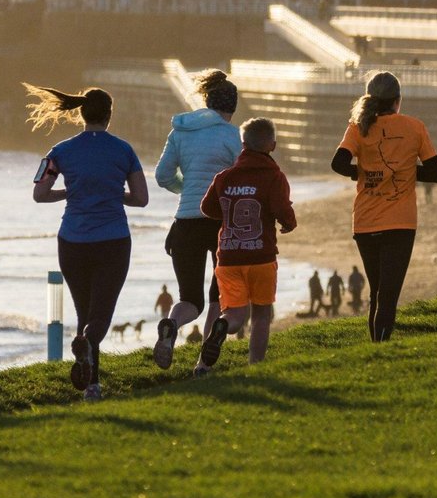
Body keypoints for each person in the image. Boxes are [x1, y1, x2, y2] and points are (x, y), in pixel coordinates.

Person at [26, 84, 149, 400]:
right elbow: (141, 198)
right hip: (112, 240)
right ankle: (89, 372)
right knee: (100, 315)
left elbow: (39, 195)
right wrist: (111, 194)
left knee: (85, 312)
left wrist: (68, 192)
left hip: (72, 241)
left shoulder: (59, 151)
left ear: (80, 114)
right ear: (109, 115)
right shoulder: (124, 150)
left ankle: (91, 383)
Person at [331, 71, 437, 341]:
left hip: (366, 222)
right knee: (388, 295)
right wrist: (404, 171)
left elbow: (338, 163)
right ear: (397, 100)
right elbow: (435, 173)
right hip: (400, 223)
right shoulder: (415, 127)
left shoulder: (358, 126)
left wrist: (362, 172)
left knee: (376, 291)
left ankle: (376, 347)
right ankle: (380, 346)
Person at [151, 69, 240, 369]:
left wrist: (187, 189)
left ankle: (171, 325)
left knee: (190, 298)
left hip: (186, 221)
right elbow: (241, 180)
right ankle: (204, 364)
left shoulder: (180, 131)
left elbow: (162, 175)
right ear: (230, 108)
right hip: (221, 223)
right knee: (219, 296)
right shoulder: (231, 135)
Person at [195, 118, 296, 370]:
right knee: (261, 315)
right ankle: (255, 365)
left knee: (235, 315)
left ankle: (220, 330)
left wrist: (229, 213)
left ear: (242, 144)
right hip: (261, 256)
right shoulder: (274, 176)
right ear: (272, 145)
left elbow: (207, 208)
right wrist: (288, 223)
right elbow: (282, 208)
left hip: (228, 258)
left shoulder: (225, 177)